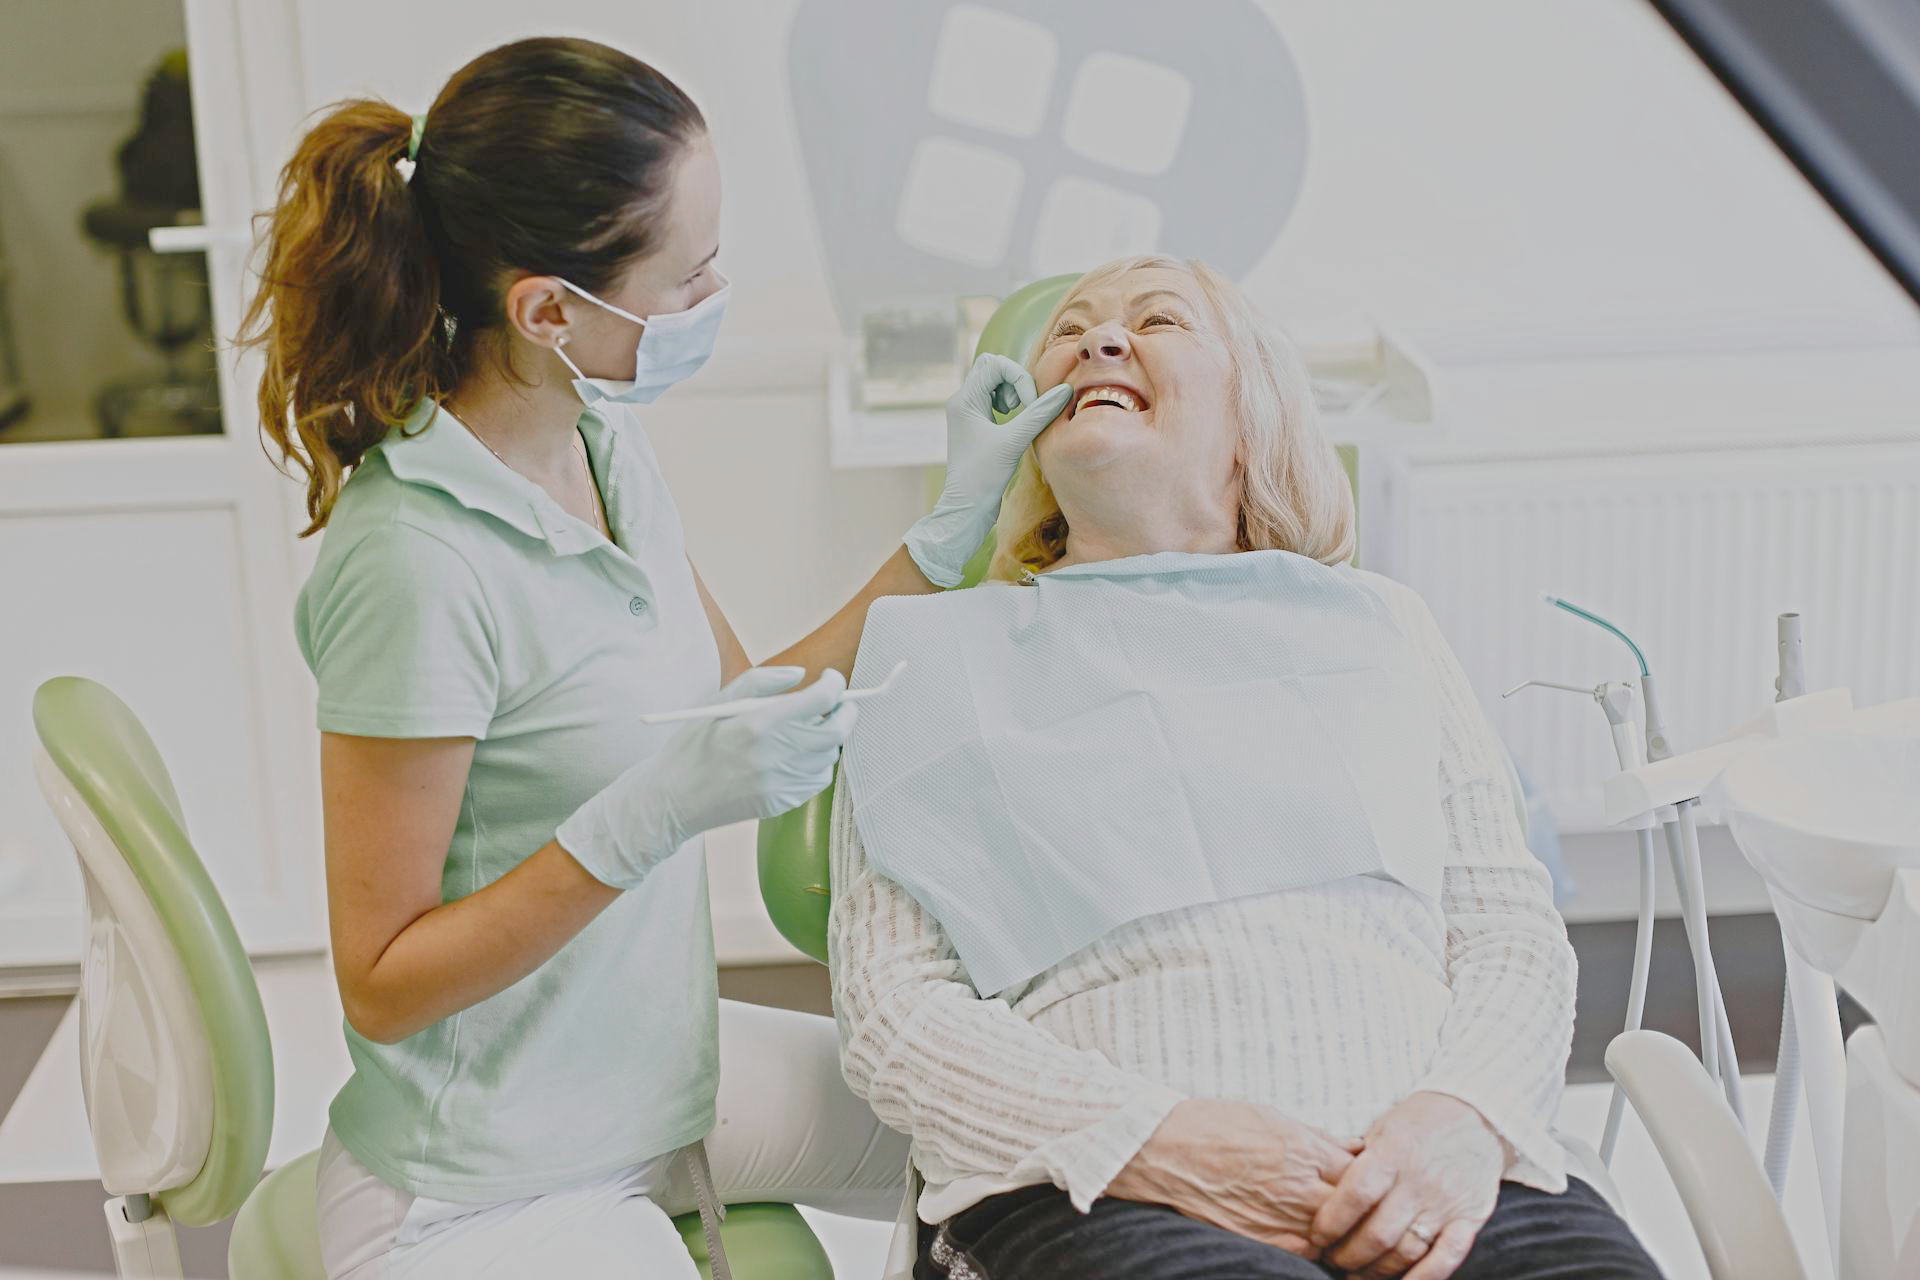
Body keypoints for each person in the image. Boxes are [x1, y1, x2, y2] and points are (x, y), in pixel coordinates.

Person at [237, 36, 1067, 1276]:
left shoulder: (602, 445)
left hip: (648, 1068)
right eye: (689, 273)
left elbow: (739, 701)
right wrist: (642, 821)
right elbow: (383, 978)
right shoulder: (416, 560)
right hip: (482, 1182)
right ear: (549, 310)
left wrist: (948, 531)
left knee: (1025, 1138)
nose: (716, 291)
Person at [827, 255, 1666, 1280]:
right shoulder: (929, 656)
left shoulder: (1379, 625)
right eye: (1071, 330)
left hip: (1425, 1157)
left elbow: (1507, 929)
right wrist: (1153, 1137)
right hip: (1096, 1182)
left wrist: (1463, 1115)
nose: (1099, 340)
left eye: (1158, 319)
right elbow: (893, 1012)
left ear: (1252, 417)